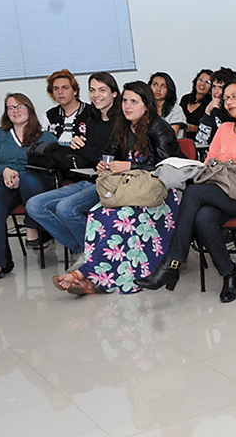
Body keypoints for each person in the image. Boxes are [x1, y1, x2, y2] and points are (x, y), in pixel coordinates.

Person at [135, 78, 236, 301]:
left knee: (195, 193)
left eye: (235, 96)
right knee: (204, 217)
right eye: (226, 98)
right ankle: (229, 274)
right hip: (222, 191)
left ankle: (172, 262)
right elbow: (209, 165)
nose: (229, 101)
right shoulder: (224, 130)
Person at [52, 81, 182, 295]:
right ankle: (93, 279)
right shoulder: (121, 125)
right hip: (130, 189)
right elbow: (109, 152)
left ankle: (85, 274)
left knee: (123, 216)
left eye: (134, 101)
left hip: (160, 194)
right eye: (125, 101)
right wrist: (104, 163)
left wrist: (131, 165)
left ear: (147, 105)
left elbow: (168, 166)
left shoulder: (159, 127)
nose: (127, 106)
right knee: (98, 214)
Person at [26, 72, 120, 255]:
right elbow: (91, 158)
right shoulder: (92, 120)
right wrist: (78, 147)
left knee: (66, 208)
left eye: (102, 90)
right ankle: (86, 252)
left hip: (110, 183)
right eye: (92, 90)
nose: (96, 95)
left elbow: (108, 158)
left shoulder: (121, 122)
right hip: (88, 178)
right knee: (34, 205)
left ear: (114, 93)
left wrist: (81, 149)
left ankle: (97, 254)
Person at [0, 93, 57, 283]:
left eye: (20, 106)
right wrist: (4, 171)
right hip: (6, 184)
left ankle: (31, 224)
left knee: (28, 178)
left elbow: (56, 164)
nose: (15, 111)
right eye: (11, 107)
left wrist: (21, 174)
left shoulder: (45, 136)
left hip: (35, 186)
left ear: (30, 109)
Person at [44, 69, 90, 145]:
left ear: (75, 91)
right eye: (56, 89)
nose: (60, 92)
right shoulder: (49, 116)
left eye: (65, 88)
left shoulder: (91, 113)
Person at [193, 68, 232, 154]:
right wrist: (207, 112)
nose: (215, 92)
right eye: (214, 86)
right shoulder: (213, 109)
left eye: (220, 87)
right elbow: (201, 141)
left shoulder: (234, 111)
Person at [176, 69, 212, 137]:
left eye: (208, 82)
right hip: (181, 139)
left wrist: (193, 128)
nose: (203, 84)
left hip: (200, 142)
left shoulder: (210, 104)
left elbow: (211, 129)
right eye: (201, 80)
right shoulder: (185, 98)